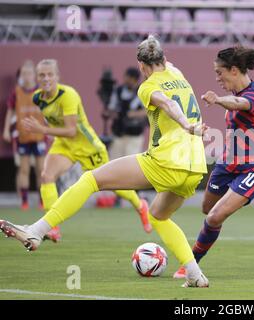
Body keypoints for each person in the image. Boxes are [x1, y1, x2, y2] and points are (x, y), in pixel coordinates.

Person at [0, 35, 210, 288]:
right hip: (196, 165)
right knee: (158, 215)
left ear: (141, 66)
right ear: (164, 59)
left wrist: (186, 124)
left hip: (166, 160)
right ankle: (195, 274)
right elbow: (169, 73)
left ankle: (37, 230)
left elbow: (165, 103)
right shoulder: (178, 74)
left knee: (90, 179)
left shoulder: (147, 86)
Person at [17, 59, 151, 242]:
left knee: (113, 185)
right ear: (38, 78)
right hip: (64, 144)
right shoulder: (37, 97)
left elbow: (71, 130)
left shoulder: (68, 95)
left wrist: (42, 130)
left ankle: (140, 205)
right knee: (47, 176)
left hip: (88, 146)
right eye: (42, 75)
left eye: (50, 74)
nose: (46, 78)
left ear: (57, 76)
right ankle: (52, 228)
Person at [172, 46, 254, 279]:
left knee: (214, 216)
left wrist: (217, 100)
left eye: (220, 73)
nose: (217, 78)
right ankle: (225, 209)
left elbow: (239, 104)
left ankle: (191, 265)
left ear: (234, 70)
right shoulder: (240, 94)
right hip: (227, 164)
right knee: (207, 209)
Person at [2, 60, 46, 211]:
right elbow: (10, 111)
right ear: (20, 76)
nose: (27, 76)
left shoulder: (41, 92)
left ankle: (42, 201)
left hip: (39, 136)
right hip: (22, 136)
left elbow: (50, 111)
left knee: (41, 170)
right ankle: (25, 201)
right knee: (24, 169)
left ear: (34, 75)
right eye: (24, 74)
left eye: (29, 73)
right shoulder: (17, 92)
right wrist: (6, 129)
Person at [106, 67, 147, 160]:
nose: (126, 80)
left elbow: (147, 111)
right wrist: (115, 114)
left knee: (131, 160)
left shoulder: (141, 92)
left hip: (134, 134)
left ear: (134, 79)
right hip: (119, 133)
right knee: (114, 159)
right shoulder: (118, 91)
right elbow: (111, 108)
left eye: (129, 78)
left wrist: (133, 114)